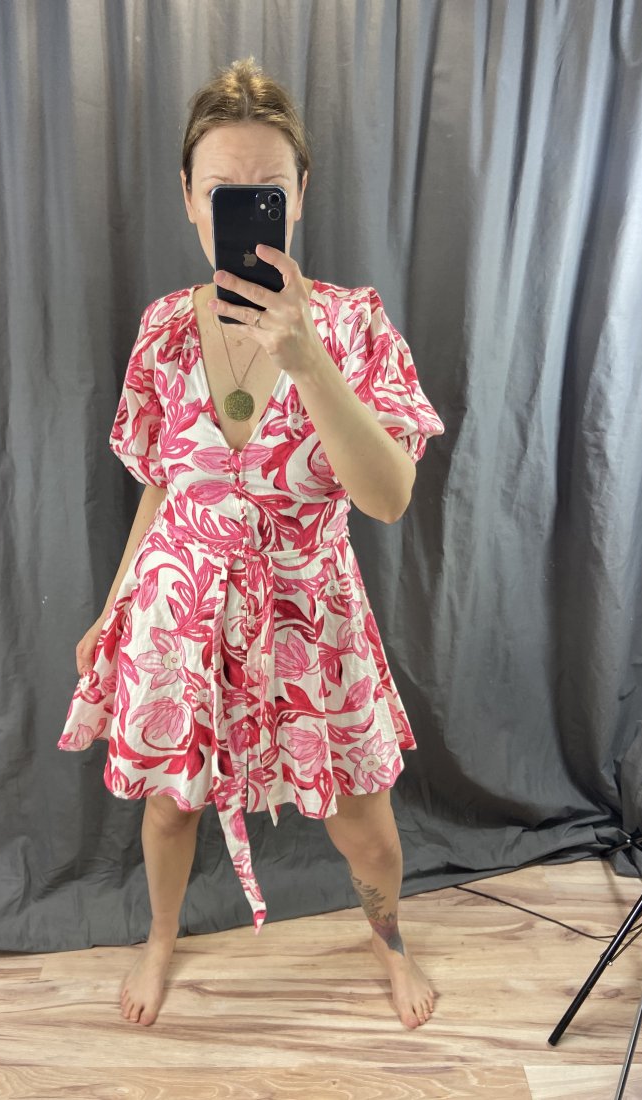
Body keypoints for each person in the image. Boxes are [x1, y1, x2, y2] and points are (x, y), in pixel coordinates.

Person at [57, 57, 444, 1031]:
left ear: (299, 195)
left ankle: (389, 940)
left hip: (310, 620)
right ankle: (160, 936)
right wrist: (111, 607)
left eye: (264, 192)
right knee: (168, 806)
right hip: (180, 613)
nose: (242, 210)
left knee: (365, 826)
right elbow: (159, 483)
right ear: (189, 200)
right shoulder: (162, 331)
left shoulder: (353, 325)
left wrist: (306, 359)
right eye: (222, 193)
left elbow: (388, 496)